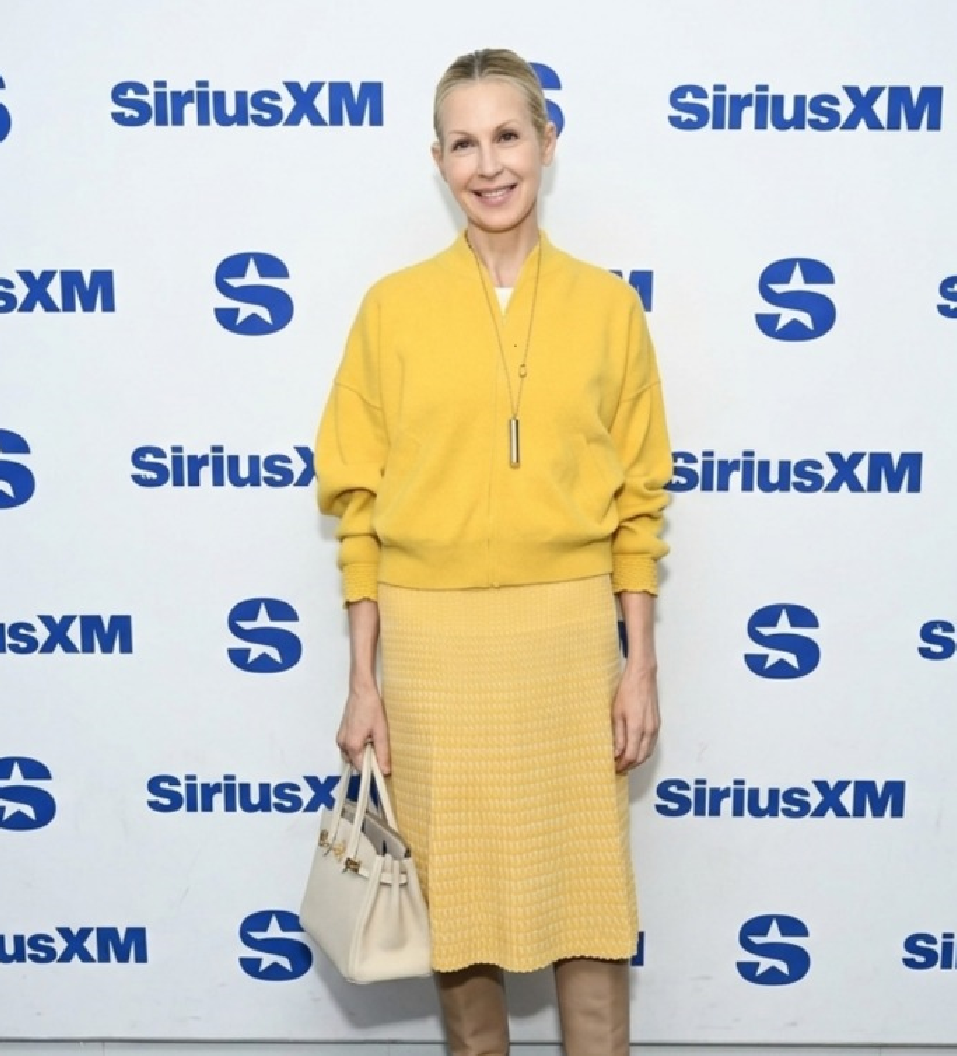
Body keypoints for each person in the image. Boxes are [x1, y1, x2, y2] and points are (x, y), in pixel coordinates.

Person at [312, 48, 672, 1056]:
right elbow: (357, 508)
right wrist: (362, 683)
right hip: (432, 658)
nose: (489, 164)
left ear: (546, 143)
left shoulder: (608, 307)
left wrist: (639, 665)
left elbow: (639, 505)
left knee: (589, 914)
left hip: (567, 646)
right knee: (457, 921)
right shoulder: (391, 308)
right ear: (438, 161)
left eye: (507, 136)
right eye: (463, 144)